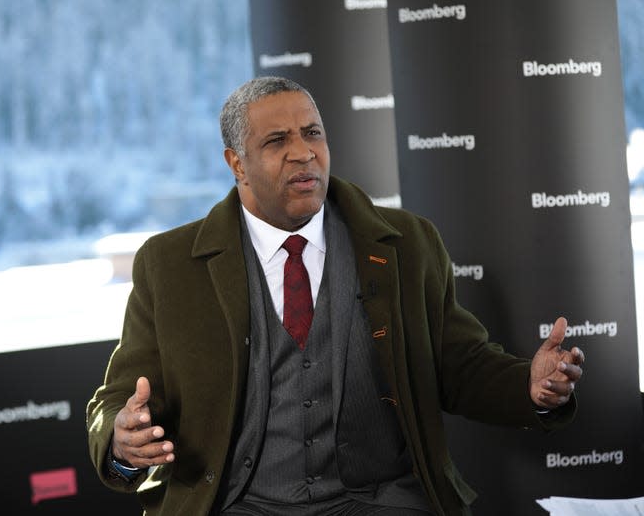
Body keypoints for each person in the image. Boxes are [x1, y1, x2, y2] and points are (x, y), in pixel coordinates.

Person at [86, 76, 584, 515]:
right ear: (236, 163)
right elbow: (116, 399)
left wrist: (530, 387)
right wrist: (123, 441)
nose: (303, 153)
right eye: (277, 140)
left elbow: (461, 365)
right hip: (237, 505)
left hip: (382, 501)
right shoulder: (170, 265)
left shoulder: (408, 243)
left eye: (313, 133)